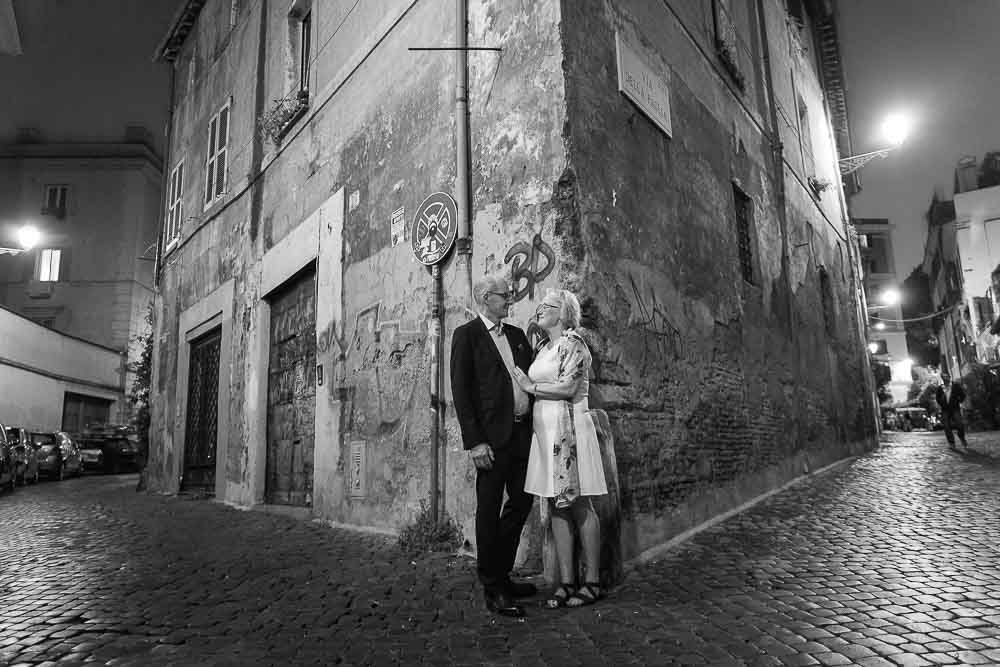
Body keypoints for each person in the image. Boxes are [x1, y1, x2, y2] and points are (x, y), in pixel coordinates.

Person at [511, 288, 608, 609]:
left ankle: (592, 581)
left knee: (580, 505)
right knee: (555, 505)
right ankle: (567, 582)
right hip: (545, 435)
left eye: (548, 306)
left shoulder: (573, 343)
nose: (540, 308)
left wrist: (530, 387)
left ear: (564, 313)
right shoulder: (545, 348)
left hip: (571, 434)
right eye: (539, 305)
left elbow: (567, 387)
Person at [450, 275, 537, 617]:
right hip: (490, 441)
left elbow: (530, 379)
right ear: (487, 299)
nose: (510, 299)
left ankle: (501, 573)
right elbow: (462, 392)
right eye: (504, 295)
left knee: (522, 501)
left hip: (521, 435)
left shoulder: (515, 336)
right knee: (488, 511)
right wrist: (474, 442)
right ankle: (492, 586)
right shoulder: (467, 336)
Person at [935, 371, 968, 449]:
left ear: (949, 377)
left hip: (955, 408)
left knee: (959, 424)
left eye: (947, 376)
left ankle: (962, 438)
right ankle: (951, 442)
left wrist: (959, 401)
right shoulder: (940, 388)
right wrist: (942, 403)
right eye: (943, 377)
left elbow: (963, 395)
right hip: (945, 409)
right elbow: (937, 398)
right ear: (942, 379)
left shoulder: (955, 386)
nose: (945, 378)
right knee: (946, 426)